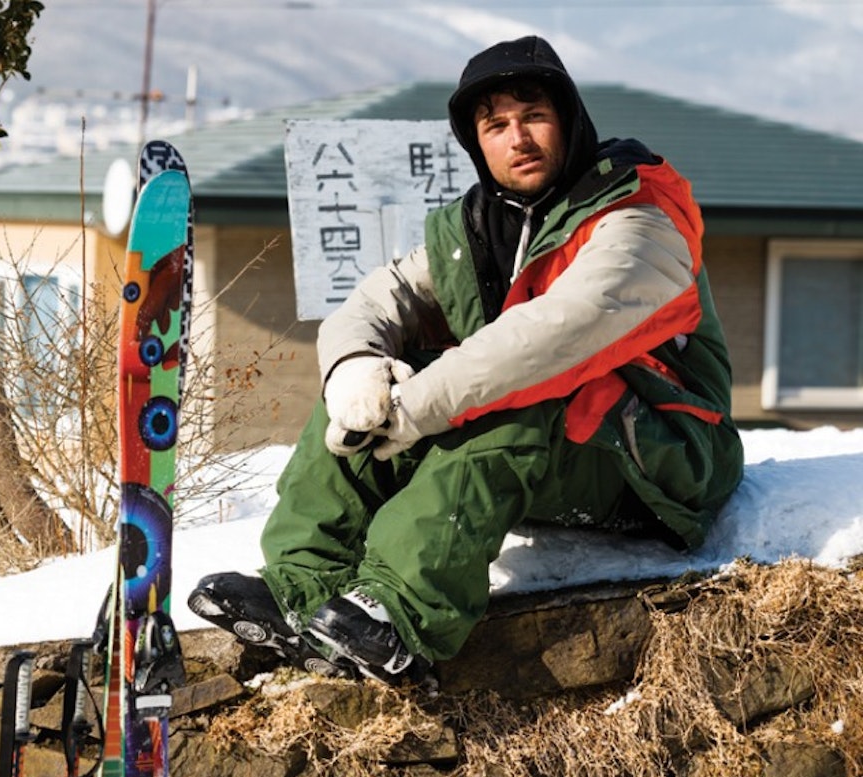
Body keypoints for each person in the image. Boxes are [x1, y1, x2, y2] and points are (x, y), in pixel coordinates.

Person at [188, 35, 744, 686]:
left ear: (570, 121)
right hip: (563, 453)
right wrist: (354, 371)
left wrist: (415, 408)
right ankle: (301, 587)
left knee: (513, 394)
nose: (518, 139)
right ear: (476, 143)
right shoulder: (482, 228)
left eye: (534, 116)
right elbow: (381, 298)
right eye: (496, 125)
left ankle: (399, 616)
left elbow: (549, 340)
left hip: (663, 462)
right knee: (370, 389)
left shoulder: (641, 216)